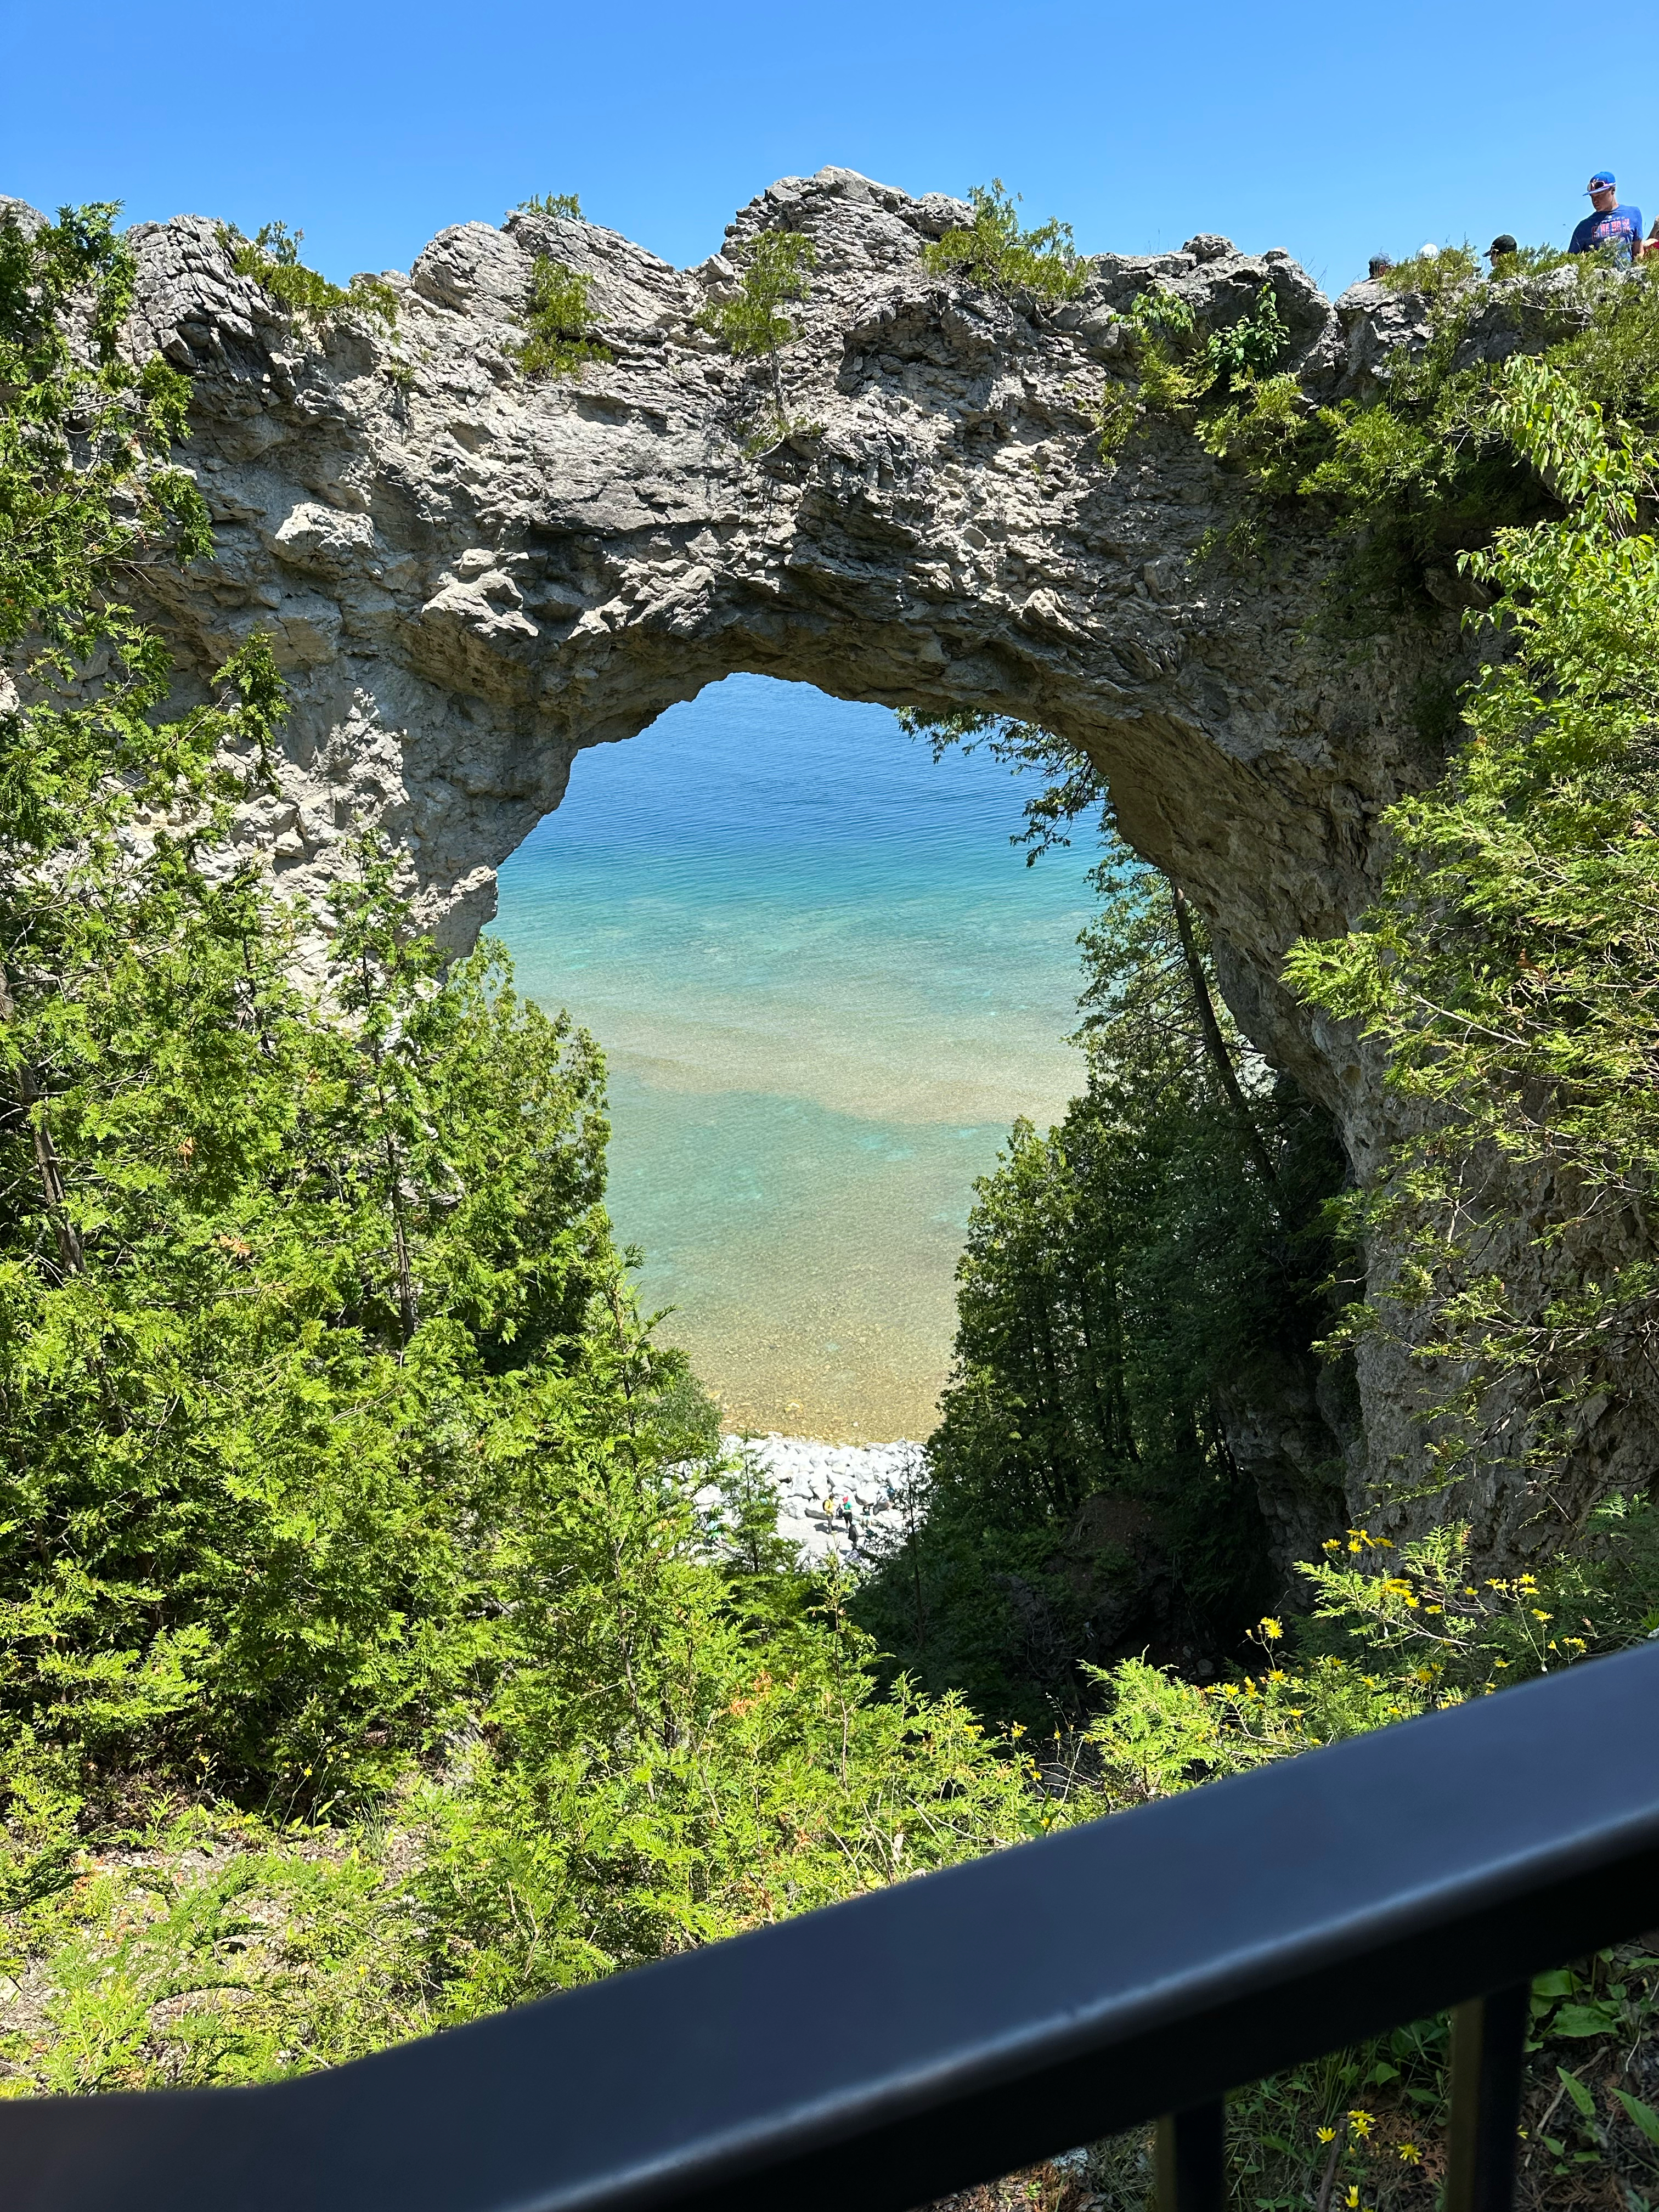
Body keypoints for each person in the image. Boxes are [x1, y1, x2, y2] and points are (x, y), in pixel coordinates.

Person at [1569, 172, 1644, 262]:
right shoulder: (1584, 226)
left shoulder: (1633, 214)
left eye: (1600, 195)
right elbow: (1571, 259)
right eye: (1592, 197)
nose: (1595, 200)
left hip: (1625, 274)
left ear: (1613, 190)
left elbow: (1639, 252)